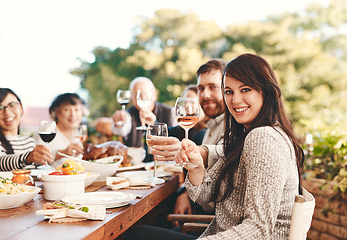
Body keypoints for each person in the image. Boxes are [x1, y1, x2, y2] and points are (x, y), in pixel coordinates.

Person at [124, 53, 305, 239]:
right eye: (229, 91)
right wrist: (196, 166)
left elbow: (258, 229)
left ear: (266, 91)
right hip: (219, 233)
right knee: (139, 233)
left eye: (245, 90)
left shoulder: (264, 138)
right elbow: (205, 195)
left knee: (136, 235)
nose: (235, 100)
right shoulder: (245, 135)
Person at [166, 59, 228, 223]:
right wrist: (183, 191)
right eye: (201, 88)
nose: (205, 94)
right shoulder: (210, 128)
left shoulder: (234, 128)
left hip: (211, 225)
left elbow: (223, 153)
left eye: (212, 87)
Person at [0, 88, 53, 178]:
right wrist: (27, 158)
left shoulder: (29, 142)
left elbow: (38, 171)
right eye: (0, 108)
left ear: (21, 108)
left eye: (12, 105)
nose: (7, 112)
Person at [111, 76, 177, 149]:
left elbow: (176, 136)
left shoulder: (171, 112)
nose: (142, 97)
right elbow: (120, 131)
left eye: (145, 93)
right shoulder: (128, 114)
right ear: (132, 99)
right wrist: (119, 124)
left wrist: (154, 123)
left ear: (154, 95)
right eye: (137, 95)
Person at [40, 93, 87, 165]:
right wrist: (62, 153)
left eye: (77, 110)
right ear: (56, 112)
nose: (73, 114)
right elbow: (36, 160)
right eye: (67, 109)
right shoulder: (48, 131)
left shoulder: (77, 134)